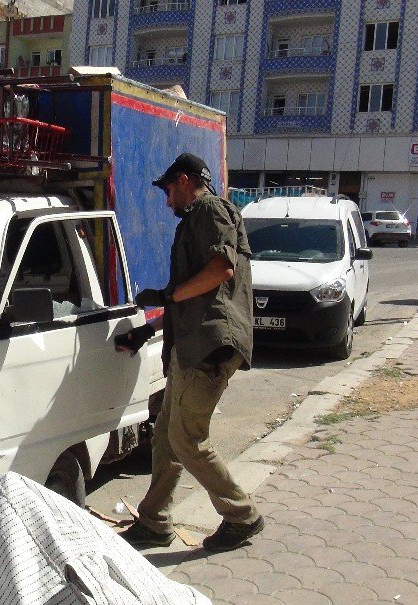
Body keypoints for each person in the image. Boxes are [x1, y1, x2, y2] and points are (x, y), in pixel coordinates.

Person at [113, 153, 263, 553]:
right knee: (165, 437)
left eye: (167, 191)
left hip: (210, 347)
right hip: (193, 343)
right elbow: (192, 297)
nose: (166, 201)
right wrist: (148, 327)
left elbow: (221, 270)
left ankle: (241, 514)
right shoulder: (194, 221)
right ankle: (154, 522)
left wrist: (168, 295)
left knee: (187, 440)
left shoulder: (210, 210)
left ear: (183, 181)